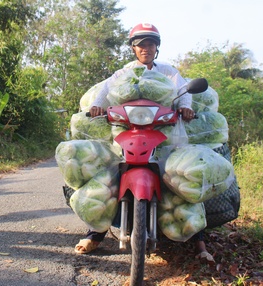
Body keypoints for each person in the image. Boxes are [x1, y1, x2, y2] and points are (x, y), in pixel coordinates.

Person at [74, 22, 214, 264]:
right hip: (129, 131)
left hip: (164, 134)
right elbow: (106, 90)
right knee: (109, 176)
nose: (145, 48)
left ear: (156, 47)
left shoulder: (168, 72)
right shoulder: (124, 74)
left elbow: (184, 92)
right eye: (140, 45)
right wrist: (97, 106)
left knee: (179, 181)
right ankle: (95, 233)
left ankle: (199, 243)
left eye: (150, 44)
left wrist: (186, 108)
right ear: (133, 48)